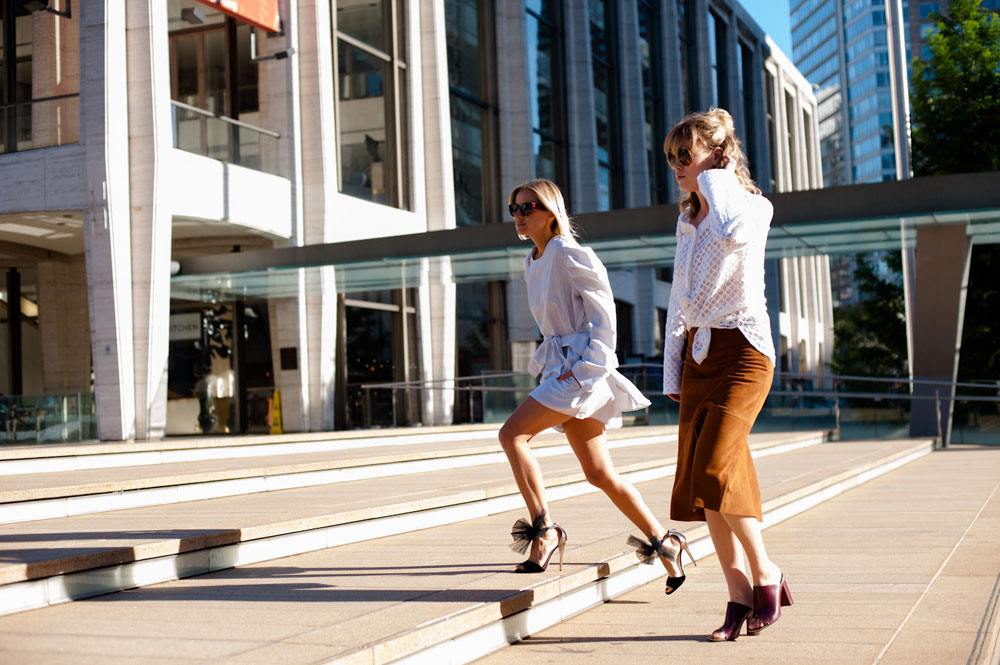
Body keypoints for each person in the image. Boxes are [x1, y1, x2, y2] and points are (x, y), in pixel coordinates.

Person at [500, 179, 693, 592]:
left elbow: (605, 318)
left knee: (512, 434)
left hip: (578, 371)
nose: (519, 215)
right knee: (600, 473)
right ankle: (665, 543)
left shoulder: (571, 253)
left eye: (528, 207)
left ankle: (545, 530)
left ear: (550, 211)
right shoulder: (533, 259)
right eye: (514, 208)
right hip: (559, 368)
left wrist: (586, 371)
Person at [661, 108, 792, 641]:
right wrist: (673, 365)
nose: (675, 166)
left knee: (714, 469)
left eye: (683, 155)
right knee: (703, 483)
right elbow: (679, 297)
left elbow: (735, 232)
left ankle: (767, 575)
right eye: (670, 158)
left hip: (744, 352)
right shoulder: (687, 219)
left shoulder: (751, 207)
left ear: (716, 155)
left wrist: (715, 178)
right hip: (699, 354)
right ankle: (738, 595)